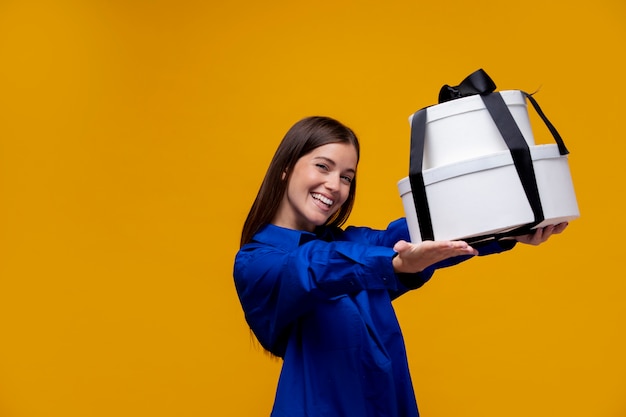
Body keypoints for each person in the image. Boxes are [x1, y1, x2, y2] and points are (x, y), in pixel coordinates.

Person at [233, 116, 567, 417]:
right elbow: (311, 269)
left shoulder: (347, 244)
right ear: (286, 167)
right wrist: (392, 263)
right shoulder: (256, 263)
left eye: (347, 177)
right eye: (323, 166)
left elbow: (415, 233)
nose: (335, 186)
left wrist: (508, 227)